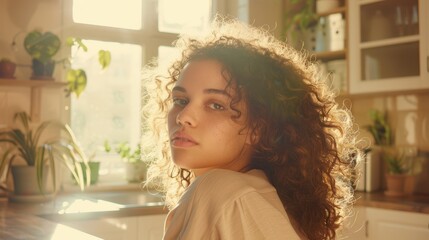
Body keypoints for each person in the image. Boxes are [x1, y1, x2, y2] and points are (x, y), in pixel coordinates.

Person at [142, 15, 362, 240]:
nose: (184, 117)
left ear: (258, 128)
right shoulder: (257, 195)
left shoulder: (223, 192)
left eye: (216, 105)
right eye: (180, 100)